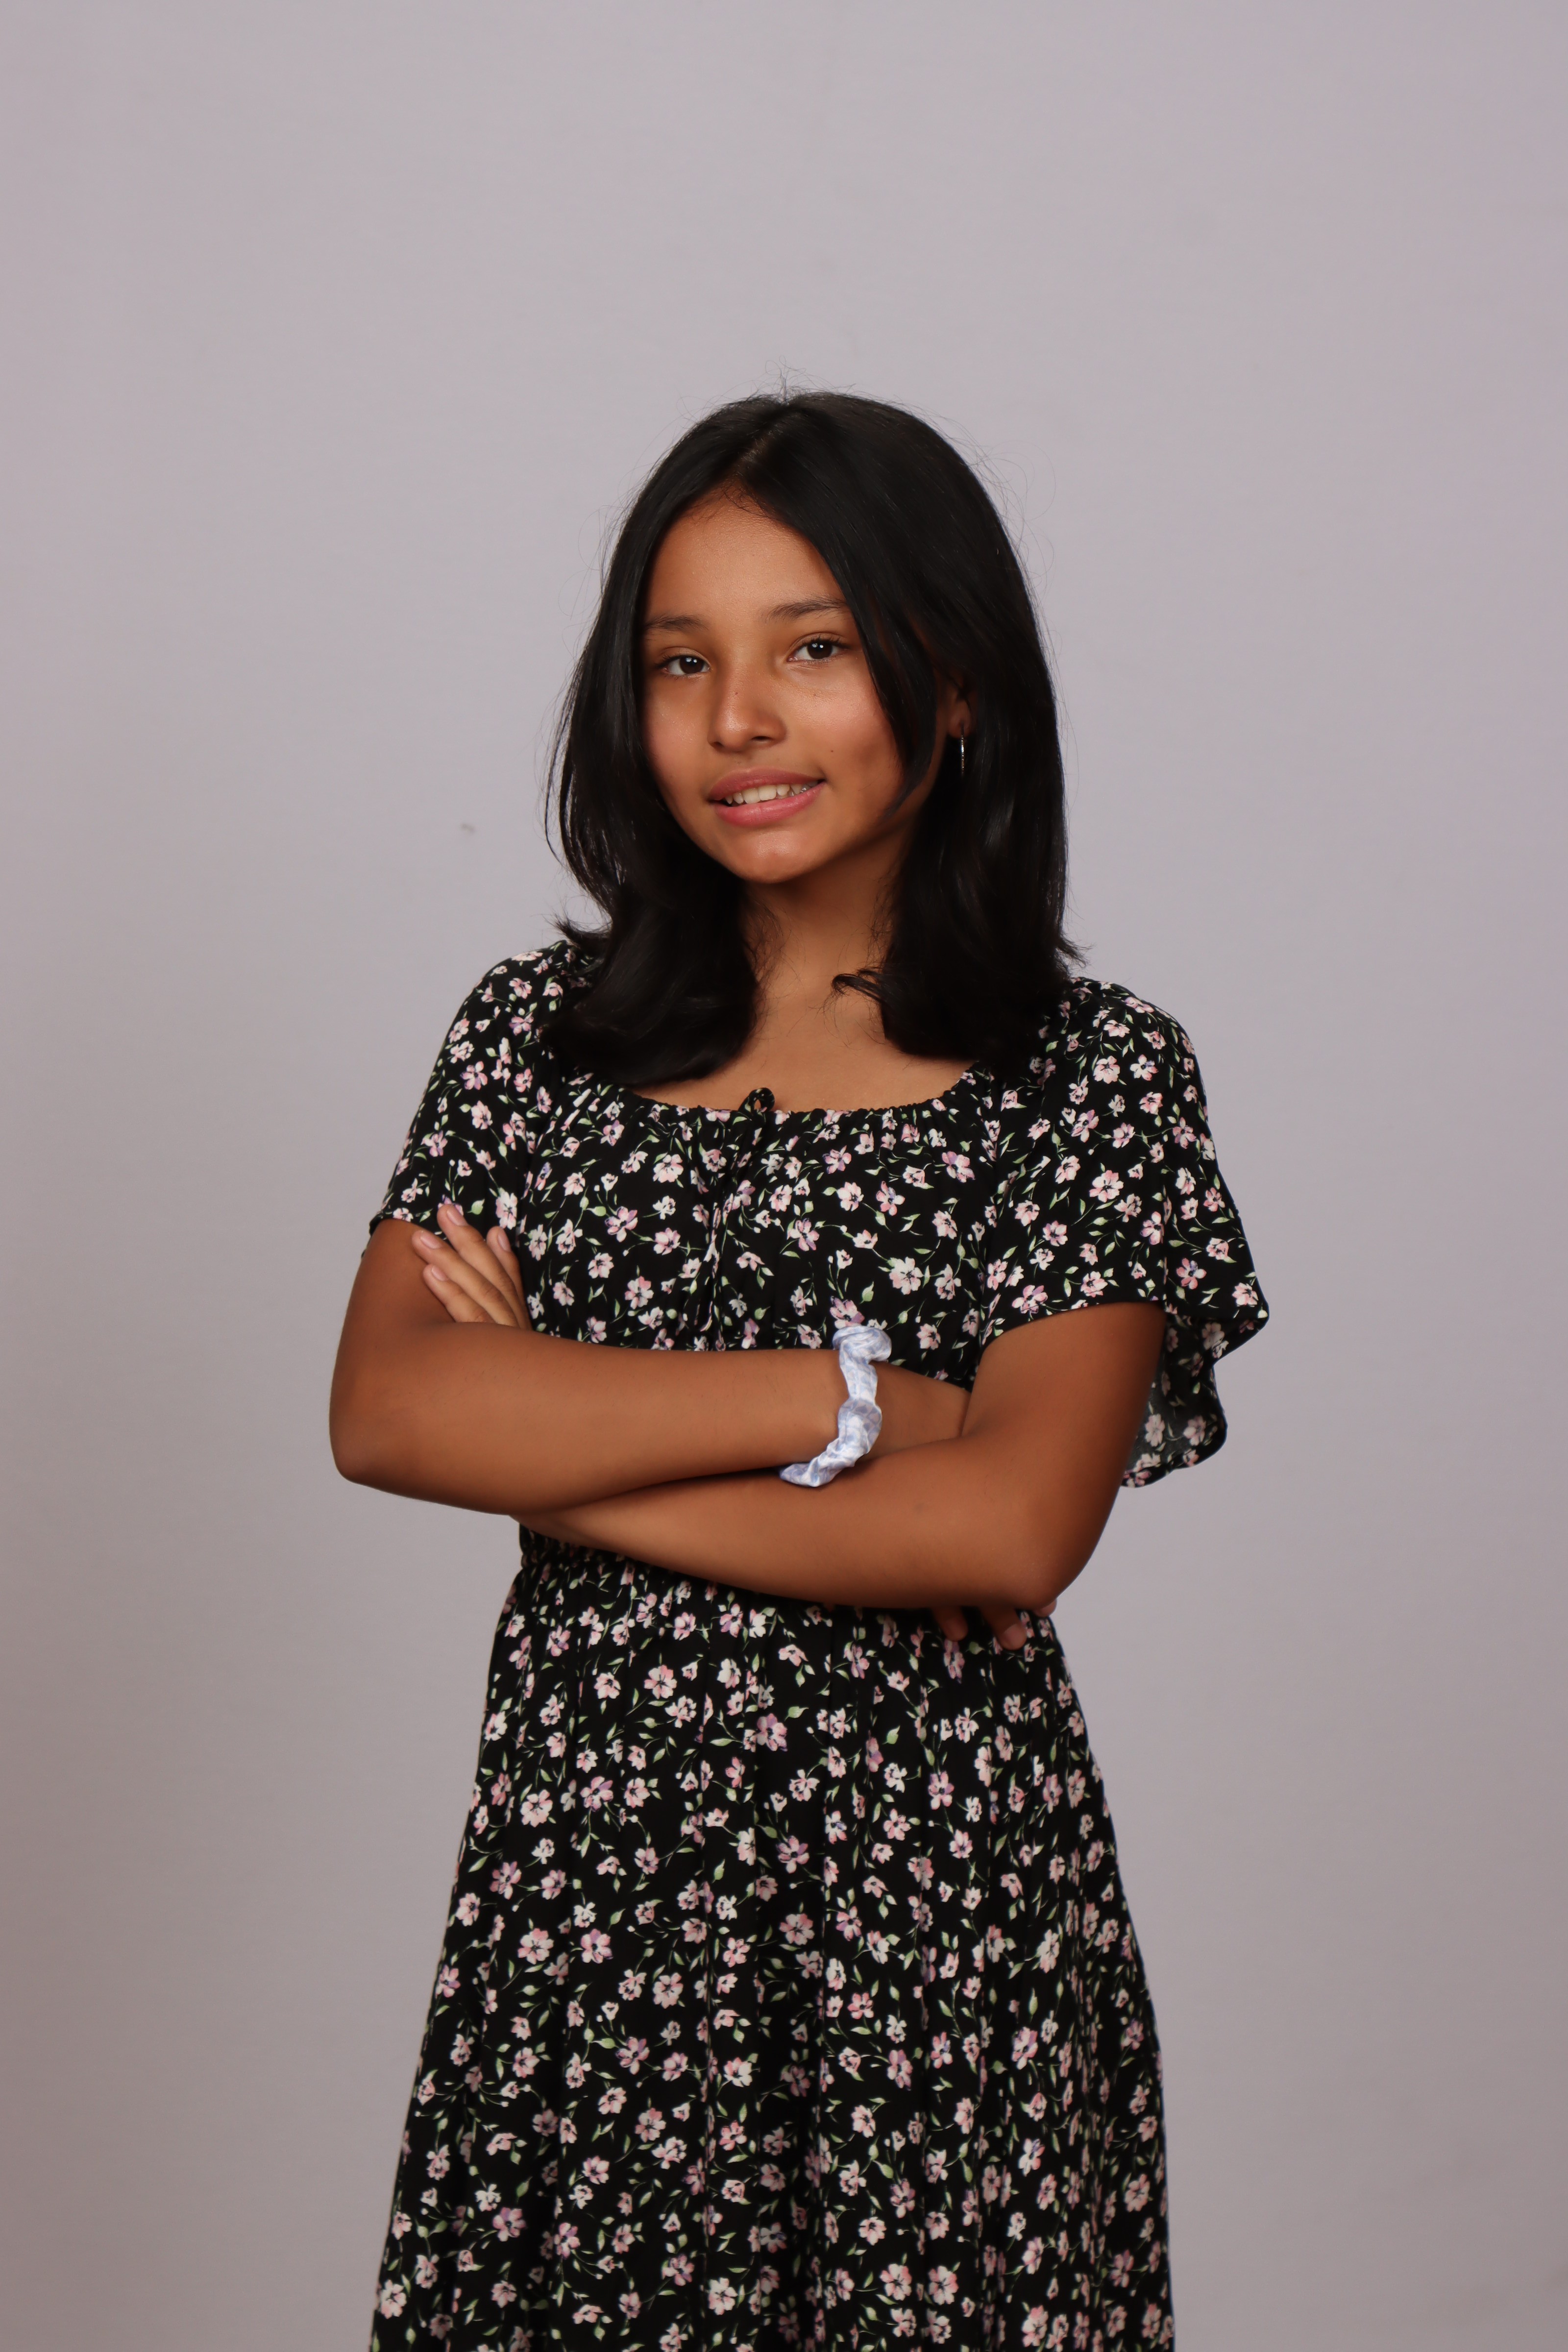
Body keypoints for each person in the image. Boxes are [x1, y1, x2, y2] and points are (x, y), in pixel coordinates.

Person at [331, 392, 1267, 2352]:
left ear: (954, 682)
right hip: (589, 1917)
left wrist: (555, 1441)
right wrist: (847, 1407)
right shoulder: (536, 1039)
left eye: (812, 647)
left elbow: (1006, 1530)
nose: (737, 718)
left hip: (931, 1925)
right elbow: (390, 1413)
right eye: (680, 662)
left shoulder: (1088, 1077)